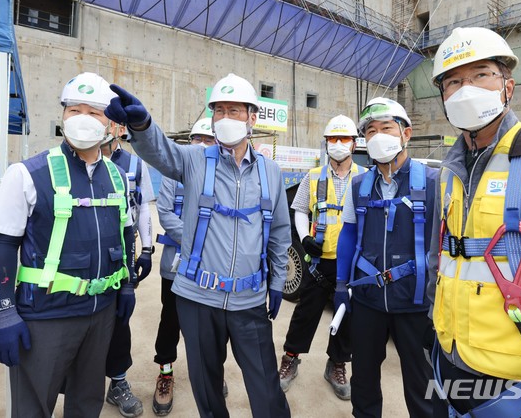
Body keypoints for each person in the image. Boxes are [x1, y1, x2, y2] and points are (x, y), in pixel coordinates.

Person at [104, 73, 292, 418]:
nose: (224, 119)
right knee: (207, 387)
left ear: (252, 118)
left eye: (233, 111)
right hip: (197, 298)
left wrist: (277, 280)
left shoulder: (271, 172)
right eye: (218, 111)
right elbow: (161, 152)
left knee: (266, 388)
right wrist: (143, 125)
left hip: (249, 301)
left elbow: (280, 232)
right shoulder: (194, 160)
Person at [426, 26, 521, 417]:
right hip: (450, 362)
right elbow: (440, 260)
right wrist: (433, 326)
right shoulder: (449, 171)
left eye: (481, 75)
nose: (466, 89)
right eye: (453, 81)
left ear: (508, 85)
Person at [0, 71, 136, 416]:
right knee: (33, 406)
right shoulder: (27, 174)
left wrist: (126, 284)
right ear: (62, 116)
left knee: (87, 402)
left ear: (110, 123)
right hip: (46, 315)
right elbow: (3, 248)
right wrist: (5, 313)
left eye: (94, 112)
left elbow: (125, 233)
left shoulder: (117, 176)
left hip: (101, 314)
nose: (83, 119)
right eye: (74, 110)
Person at [335, 97, 437, 417]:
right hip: (368, 300)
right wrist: (341, 286)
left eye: (387, 128)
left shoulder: (434, 182)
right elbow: (349, 234)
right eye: (371, 131)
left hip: (416, 303)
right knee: (363, 379)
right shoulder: (359, 186)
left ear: (406, 134)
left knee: (423, 385)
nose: (378, 136)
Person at [278, 114, 361, 399]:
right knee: (305, 313)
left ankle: (337, 363)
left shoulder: (364, 178)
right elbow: (300, 208)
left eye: (344, 139)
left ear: (354, 143)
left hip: (351, 262)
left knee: (346, 315)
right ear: (326, 144)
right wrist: (304, 238)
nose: (338, 144)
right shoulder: (313, 177)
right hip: (319, 261)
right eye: (333, 139)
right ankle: (290, 359)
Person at [152, 117, 224, 416]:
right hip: (177, 265)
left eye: (209, 140)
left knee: (210, 328)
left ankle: (211, 377)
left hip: (212, 269)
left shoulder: (224, 176)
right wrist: (195, 241)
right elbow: (165, 211)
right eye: (197, 139)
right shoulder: (173, 175)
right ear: (189, 141)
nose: (202, 145)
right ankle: (166, 373)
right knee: (170, 322)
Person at [100, 121, 154, 417]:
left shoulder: (134, 164)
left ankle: (117, 382)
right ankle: (80, 383)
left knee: (120, 316)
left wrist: (145, 249)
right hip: (84, 251)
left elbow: (143, 206)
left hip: (123, 248)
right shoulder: (70, 160)